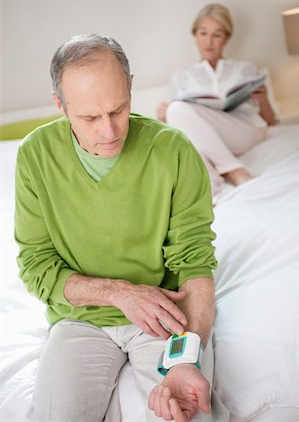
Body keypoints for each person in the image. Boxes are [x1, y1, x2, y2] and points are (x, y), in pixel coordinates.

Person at [14, 34, 229, 422]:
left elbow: (194, 263)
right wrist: (120, 293)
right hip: (79, 320)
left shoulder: (174, 150)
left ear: (130, 85)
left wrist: (185, 359)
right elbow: (36, 265)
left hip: (165, 316)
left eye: (118, 109)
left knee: (187, 414)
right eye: (90, 118)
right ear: (59, 106)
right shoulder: (34, 155)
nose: (110, 131)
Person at [156, 4, 276, 189]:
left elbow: (270, 121)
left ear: (226, 38)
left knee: (180, 116)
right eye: (203, 33)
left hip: (245, 132)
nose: (208, 41)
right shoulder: (181, 77)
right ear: (195, 35)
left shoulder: (244, 68)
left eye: (217, 35)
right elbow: (177, 129)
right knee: (176, 111)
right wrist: (162, 116)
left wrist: (263, 99)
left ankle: (233, 170)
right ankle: (212, 185)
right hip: (208, 137)